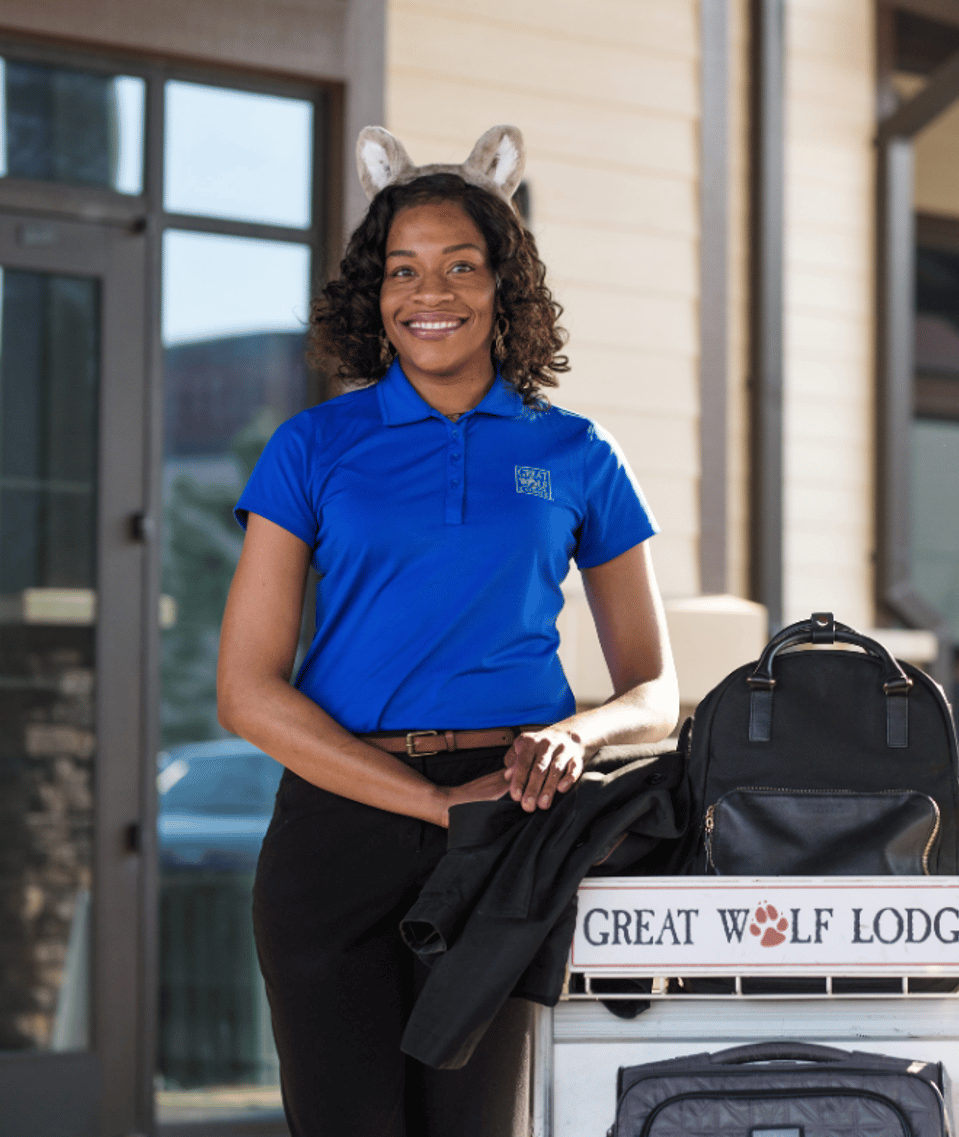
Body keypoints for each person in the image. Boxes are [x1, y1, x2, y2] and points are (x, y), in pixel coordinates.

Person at [215, 126, 678, 1137]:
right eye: (404, 269)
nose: (433, 292)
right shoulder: (312, 448)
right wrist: (433, 808)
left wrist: (578, 735)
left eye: (462, 265)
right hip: (338, 824)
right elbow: (247, 691)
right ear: (374, 294)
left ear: (503, 284)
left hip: (508, 830)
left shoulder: (578, 454)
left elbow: (654, 688)